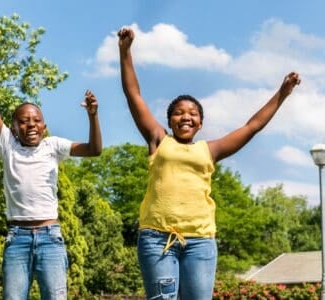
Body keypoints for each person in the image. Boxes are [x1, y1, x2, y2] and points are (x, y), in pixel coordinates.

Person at [117, 28, 301, 300]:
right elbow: (134, 96)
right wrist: (125, 52)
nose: (185, 117)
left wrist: (282, 94)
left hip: (200, 242)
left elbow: (252, 127)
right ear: (169, 121)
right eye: (178, 113)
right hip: (157, 239)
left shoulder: (210, 150)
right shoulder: (159, 140)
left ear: (200, 123)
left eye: (192, 114)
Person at [0, 43, 102, 300]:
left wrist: (93, 116)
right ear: (13, 128)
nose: (30, 124)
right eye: (23, 121)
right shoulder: (7, 145)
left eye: (36, 120)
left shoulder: (52, 146)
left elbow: (94, 149)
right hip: (17, 239)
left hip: (50, 237)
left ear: (44, 127)